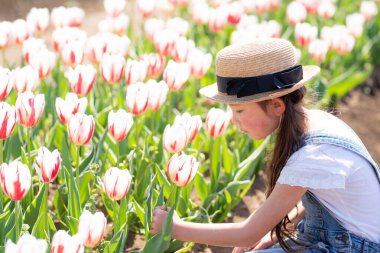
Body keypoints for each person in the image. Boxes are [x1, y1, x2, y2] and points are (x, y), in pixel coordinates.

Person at [150, 38, 380, 252]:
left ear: (277, 106)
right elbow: (325, 201)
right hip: (333, 237)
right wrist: (271, 233)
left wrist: (173, 227)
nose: (233, 120)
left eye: (239, 110)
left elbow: (247, 233)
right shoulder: (317, 122)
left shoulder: (313, 154)